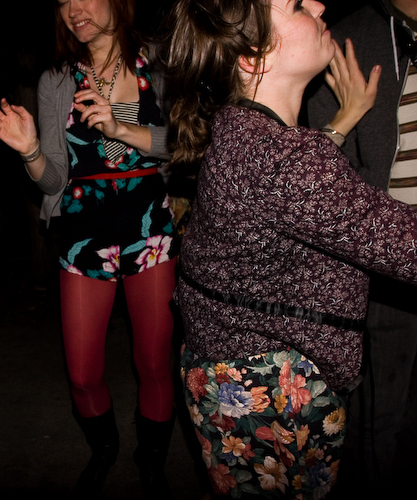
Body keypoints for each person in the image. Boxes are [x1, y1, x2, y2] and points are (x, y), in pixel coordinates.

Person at [161, 0, 417, 498]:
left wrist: (345, 117)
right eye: (297, 4)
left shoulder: (245, 129)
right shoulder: (281, 158)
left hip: (230, 372)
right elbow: (404, 244)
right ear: (253, 57)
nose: (319, 3)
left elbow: (290, 195)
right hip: (267, 396)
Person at [0, 0, 178, 495]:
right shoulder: (57, 81)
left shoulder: (162, 61)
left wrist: (120, 129)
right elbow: (54, 178)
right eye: (63, 1)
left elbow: (186, 144)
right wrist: (30, 150)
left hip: (150, 227)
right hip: (83, 232)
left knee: (154, 363)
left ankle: (152, 460)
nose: (74, 9)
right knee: (81, 373)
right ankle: (105, 448)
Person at [306, 1, 417, 496]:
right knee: (382, 417)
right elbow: (319, 187)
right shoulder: (349, 38)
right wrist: (348, 117)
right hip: (387, 268)